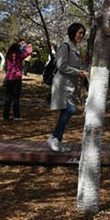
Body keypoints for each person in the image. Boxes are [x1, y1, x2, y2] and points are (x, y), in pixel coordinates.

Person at [46, 22, 88, 152]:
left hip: (71, 86)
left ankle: (57, 140)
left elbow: (75, 66)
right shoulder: (65, 46)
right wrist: (78, 72)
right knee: (70, 110)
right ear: (73, 32)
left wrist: (83, 71)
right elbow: (61, 66)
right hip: (62, 85)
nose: (81, 35)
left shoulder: (76, 48)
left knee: (66, 111)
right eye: (79, 33)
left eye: (83, 33)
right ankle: (53, 137)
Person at [2, 41, 32, 121]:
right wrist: (26, 46)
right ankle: (16, 116)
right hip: (17, 79)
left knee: (8, 98)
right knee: (16, 98)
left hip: (9, 78)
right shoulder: (19, 56)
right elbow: (29, 52)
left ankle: (6, 116)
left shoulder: (8, 56)